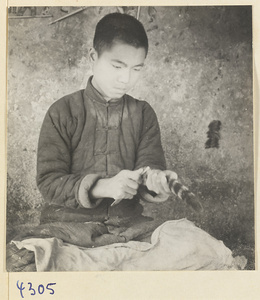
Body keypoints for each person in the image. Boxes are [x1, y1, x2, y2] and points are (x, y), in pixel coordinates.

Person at [36, 12, 178, 227]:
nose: (126, 79)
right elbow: (49, 182)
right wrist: (104, 186)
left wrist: (156, 180)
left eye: (136, 69)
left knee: (201, 249)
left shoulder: (143, 113)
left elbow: (150, 165)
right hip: (67, 227)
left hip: (127, 226)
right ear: (93, 57)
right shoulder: (62, 111)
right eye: (117, 66)